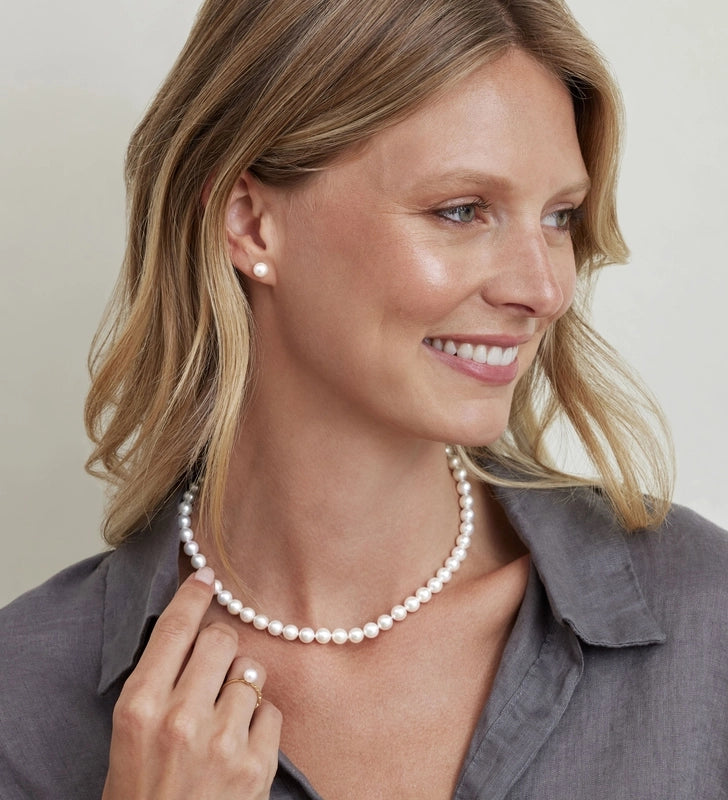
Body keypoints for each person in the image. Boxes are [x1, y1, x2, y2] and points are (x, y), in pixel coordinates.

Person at [1, 0, 727, 798]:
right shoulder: (23, 703)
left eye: (560, 217)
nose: (544, 289)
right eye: (461, 211)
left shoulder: (704, 622)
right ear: (250, 223)